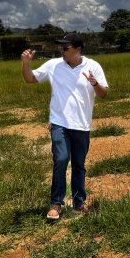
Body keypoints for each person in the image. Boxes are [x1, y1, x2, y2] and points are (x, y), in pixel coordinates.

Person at [21, 33, 108, 221]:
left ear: (78, 49)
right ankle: (56, 204)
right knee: (60, 159)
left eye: (66, 48)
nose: (62, 51)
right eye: (61, 47)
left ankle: (79, 203)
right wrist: (26, 63)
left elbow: (103, 94)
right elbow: (30, 79)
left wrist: (94, 82)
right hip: (59, 122)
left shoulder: (93, 66)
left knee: (79, 164)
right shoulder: (54, 65)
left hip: (81, 124)